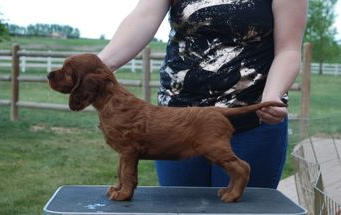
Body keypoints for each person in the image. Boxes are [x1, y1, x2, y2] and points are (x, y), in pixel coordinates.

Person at [98, 0, 307, 188]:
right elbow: (144, 16)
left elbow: (288, 49)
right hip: (173, 123)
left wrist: (271, 95)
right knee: (180, 210)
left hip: (250, 122)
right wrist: (96, 67)